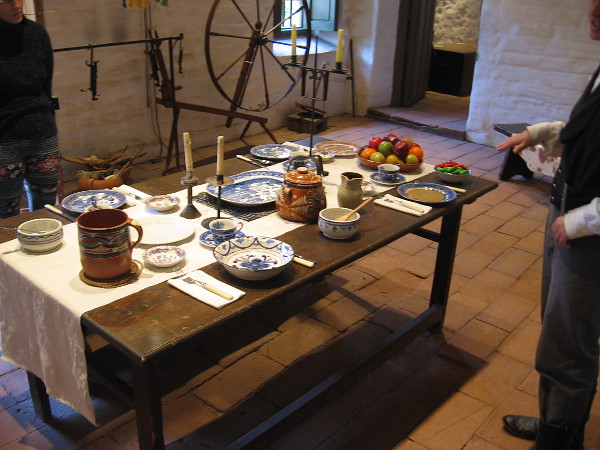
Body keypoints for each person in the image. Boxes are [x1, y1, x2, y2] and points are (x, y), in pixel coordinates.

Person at [495, 2, 600, 449]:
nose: (593, 9)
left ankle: (559, 441)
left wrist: (583, 221)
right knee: (557, 330)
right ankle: (557, 423)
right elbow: (591, 134)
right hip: (567, 213)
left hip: (587, 233)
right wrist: (544, 132)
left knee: (569, 342)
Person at [0, 0, 60, 219]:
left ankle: (45, 240)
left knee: (47, 204)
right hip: (4, 136)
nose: (16, 6)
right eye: (7, 1)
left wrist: (47, 117)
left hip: (41, 129)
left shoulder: (37, 33)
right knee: (6, 208)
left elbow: (46, 84)